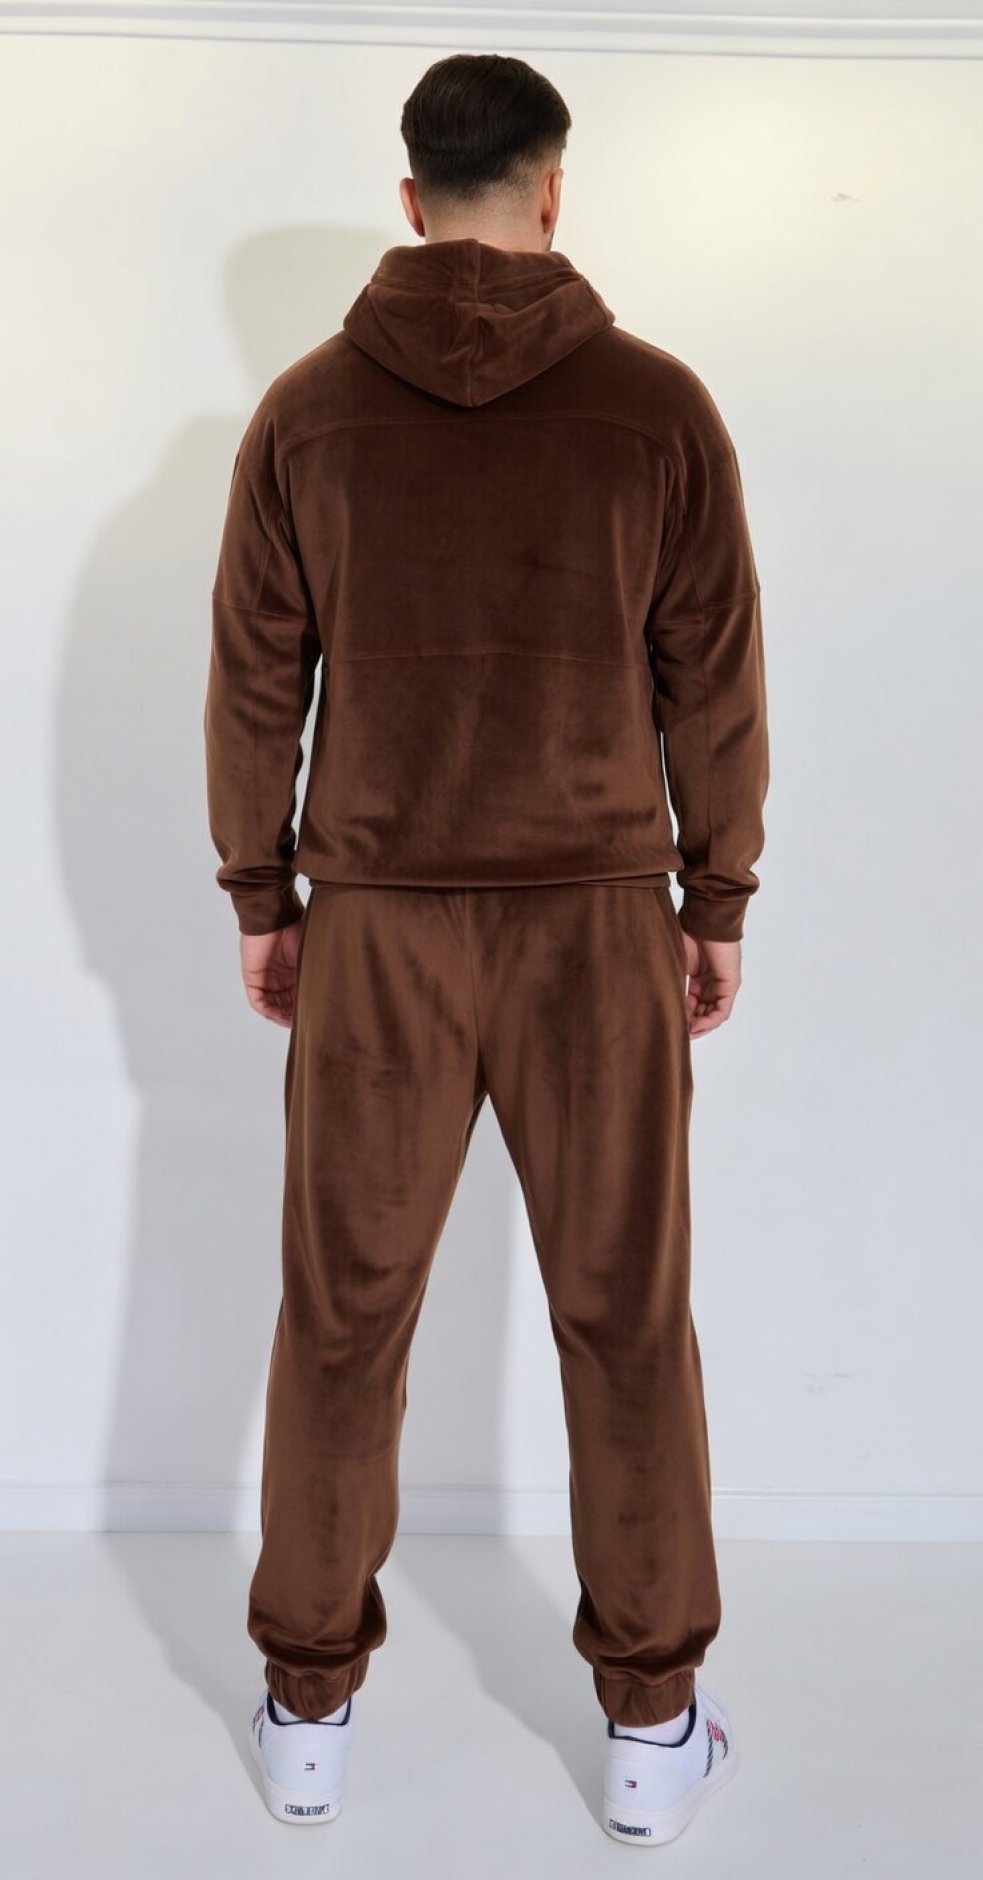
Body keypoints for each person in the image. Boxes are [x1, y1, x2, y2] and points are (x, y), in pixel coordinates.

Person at [204, 50, 768, 1846]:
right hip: (597, 921)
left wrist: (264, 896)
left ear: (409, 198)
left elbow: (253, 683)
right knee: (626, 1313)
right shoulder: (659, 409)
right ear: (552, 188)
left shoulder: (305, 414)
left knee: (342, 1316)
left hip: (376, 924)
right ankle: (653, 1729)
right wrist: (716, 899)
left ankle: (308, 1710)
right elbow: (715, 682)